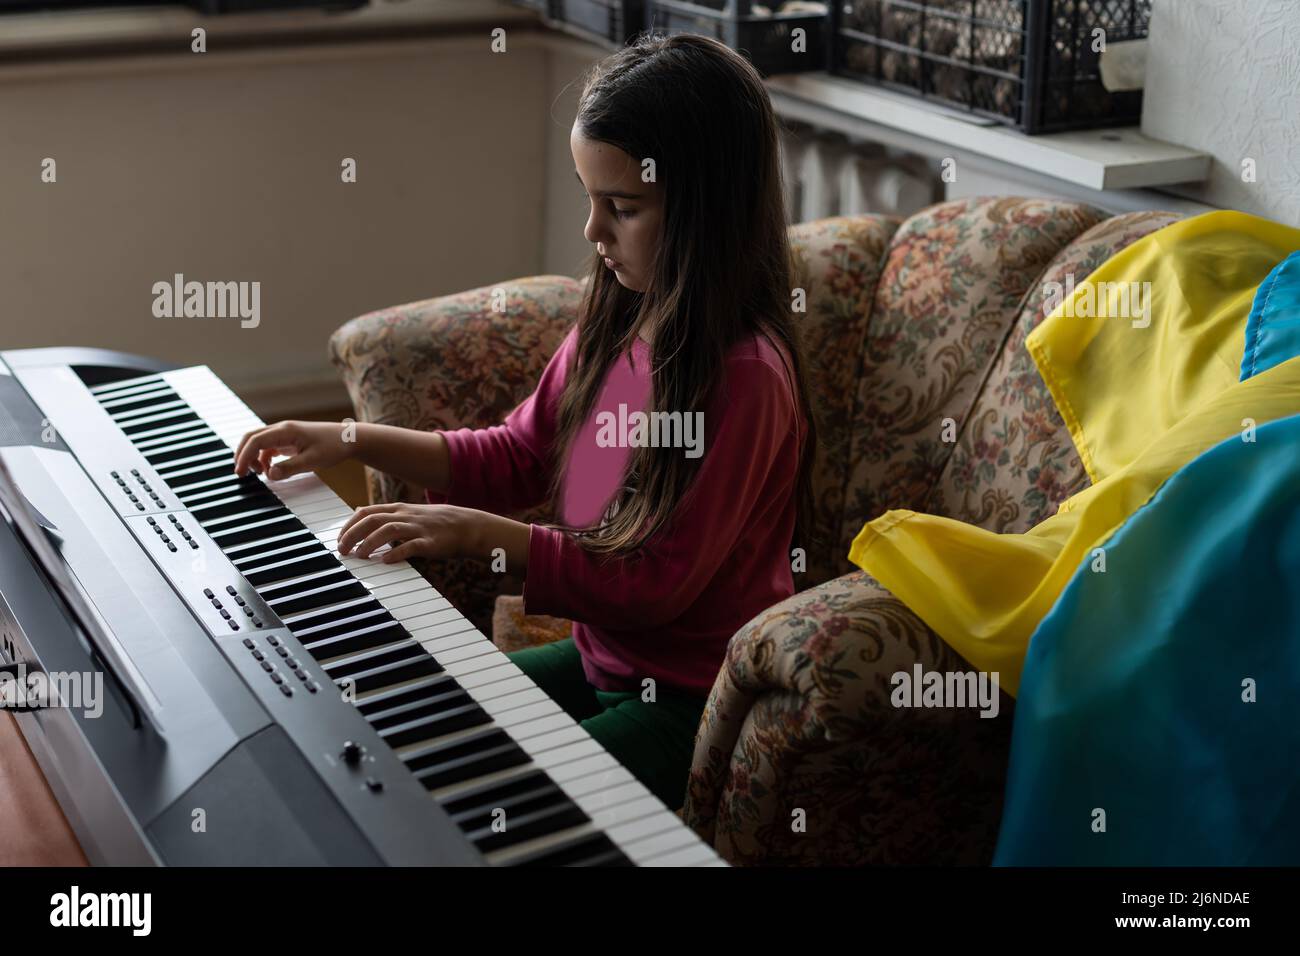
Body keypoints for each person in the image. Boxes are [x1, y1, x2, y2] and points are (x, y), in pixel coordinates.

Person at [233, 33, 819, 813]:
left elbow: (657, 588)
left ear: (707, 209)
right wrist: (343, 437)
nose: (592, 232)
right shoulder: (619, 321)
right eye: (589, 198)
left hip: (690, 703)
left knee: (490, 805)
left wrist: (478, 534)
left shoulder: (746, 378)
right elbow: (517, 455)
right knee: (401, 734)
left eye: (623, 208)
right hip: (600, 659)